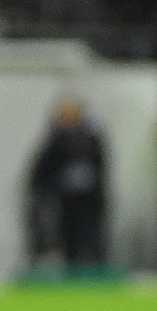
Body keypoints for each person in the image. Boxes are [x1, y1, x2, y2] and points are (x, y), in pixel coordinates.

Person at [29, 98, 109, 269]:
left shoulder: (91, 139)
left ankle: (94, 269)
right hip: (64, 200)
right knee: (66, 236)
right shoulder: (55, 140)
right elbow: (42, 170)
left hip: (88, 200)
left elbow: (100, 166)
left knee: (91, 236)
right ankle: (69, 267)